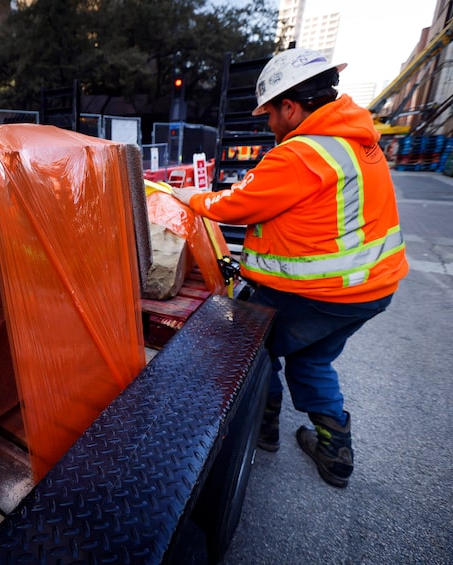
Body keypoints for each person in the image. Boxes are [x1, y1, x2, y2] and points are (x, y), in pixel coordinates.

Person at [173, 48, 409, 488]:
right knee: (311, 361)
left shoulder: (301, 153)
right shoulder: (355, 142)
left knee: (253, 350)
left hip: (320, 293)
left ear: (290, 105)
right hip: (369, 291)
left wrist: (192, 199)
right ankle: (335, 452)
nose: (268, 123)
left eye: (270, 113)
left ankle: (261, 429)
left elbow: (236, 205)